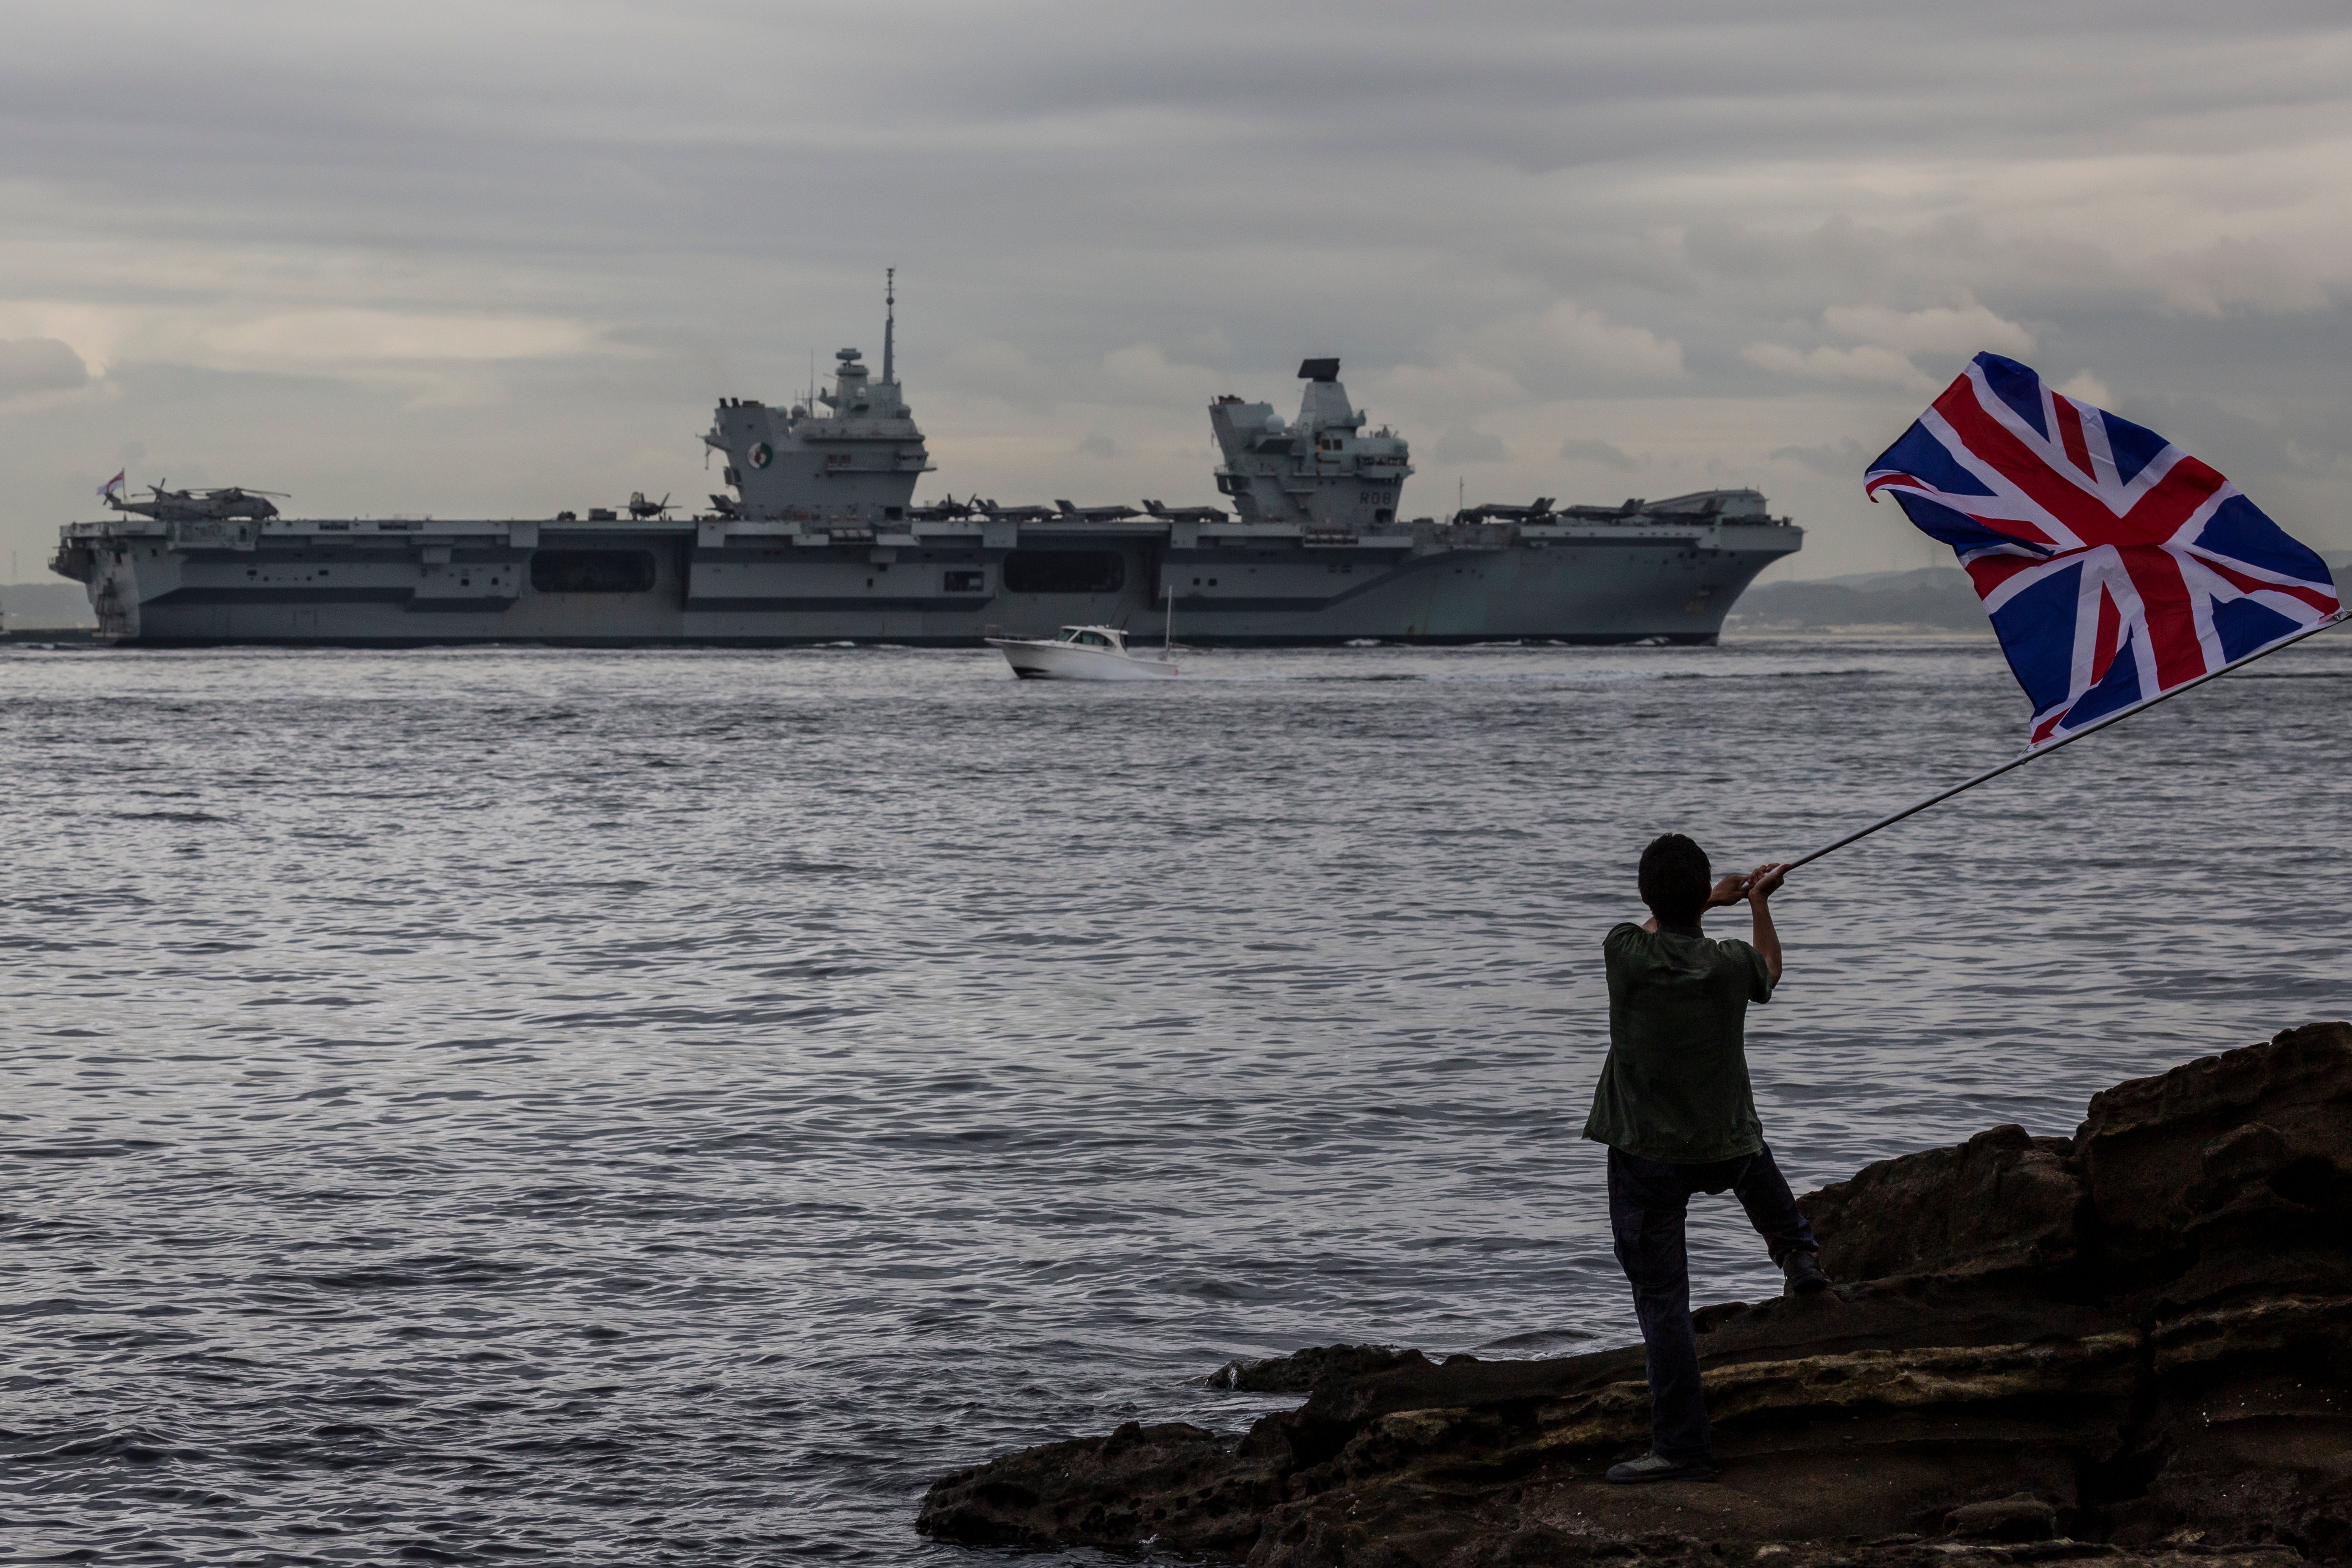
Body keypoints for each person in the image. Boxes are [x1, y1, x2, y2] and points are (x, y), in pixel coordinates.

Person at [1584, 832, 1831, 1486]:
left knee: (1663, 1301)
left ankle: (1682, 1447)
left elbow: (1652, 928)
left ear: (1646, 897)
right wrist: (1757, 904)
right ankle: (1797, 1249)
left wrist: (1707, 904)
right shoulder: (1727, 964)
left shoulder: (1624, 951)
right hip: (1722, 1143)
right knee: (1751, 1153)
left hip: (1645, 1153)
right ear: (1700, 896)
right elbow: (1771, 970)